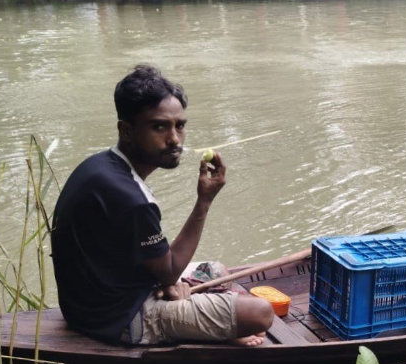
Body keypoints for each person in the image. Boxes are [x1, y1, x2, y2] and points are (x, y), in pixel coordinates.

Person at [51, 65, 273, 346]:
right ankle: (217, 335)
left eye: (179, 126)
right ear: (127, 130)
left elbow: (152, 262)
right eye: (159, 126)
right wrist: (204, 201)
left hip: (88, 304)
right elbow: (169, 270)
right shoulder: (130, 197)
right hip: (120, 318)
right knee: (260, 313)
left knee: (216, 271)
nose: (174, 139)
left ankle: (195, 313)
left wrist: (166, 281)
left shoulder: (99, 165)